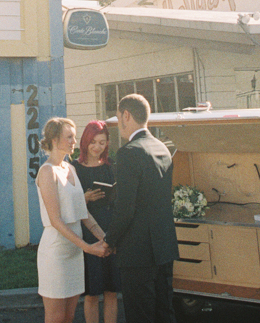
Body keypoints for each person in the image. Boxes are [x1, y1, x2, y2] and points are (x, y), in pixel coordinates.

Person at [104, 95, 179, 323]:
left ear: (126, 115)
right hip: (164, 247)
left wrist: (109, 241)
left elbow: (125, 209)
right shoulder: (162, 148)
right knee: (164, 313)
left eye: (118, 118)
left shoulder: (129, 152)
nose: (118, 124)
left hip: (137, 253)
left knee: (141, 316)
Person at [37, 117, 110, 323]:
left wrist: (105, 239)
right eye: (69, 137)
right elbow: (55, 220)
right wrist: (88, 247)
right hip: (56, 255)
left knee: (69, 317)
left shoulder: (70, 169)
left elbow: (83, 213)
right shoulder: (46, 171)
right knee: (56, 318)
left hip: (74, 254)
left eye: (74, 136)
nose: (74, 141)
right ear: (53, 139)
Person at [73, 121, 121, 323]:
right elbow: (67, 202)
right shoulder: (74, 168)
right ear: (85, 142)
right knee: (92, 293)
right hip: (89, 233)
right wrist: (84, 198)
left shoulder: (111, 166)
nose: (97, 147)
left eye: (102, 142)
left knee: (111, 291)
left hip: (111, 230)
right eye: (93, 142)